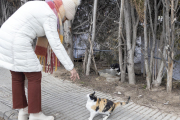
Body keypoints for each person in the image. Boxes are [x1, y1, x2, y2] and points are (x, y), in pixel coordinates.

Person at [0, 0, 81, 120]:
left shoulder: (42, 5)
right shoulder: (50, 15)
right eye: (65, 19)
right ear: (63, 11)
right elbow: (56, 45)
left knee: (17, 75)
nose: (63, 21)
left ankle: (23, 111)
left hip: (3, 36)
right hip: (17, 41)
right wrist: (71, 68)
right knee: (34, 75)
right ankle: (35, 114)